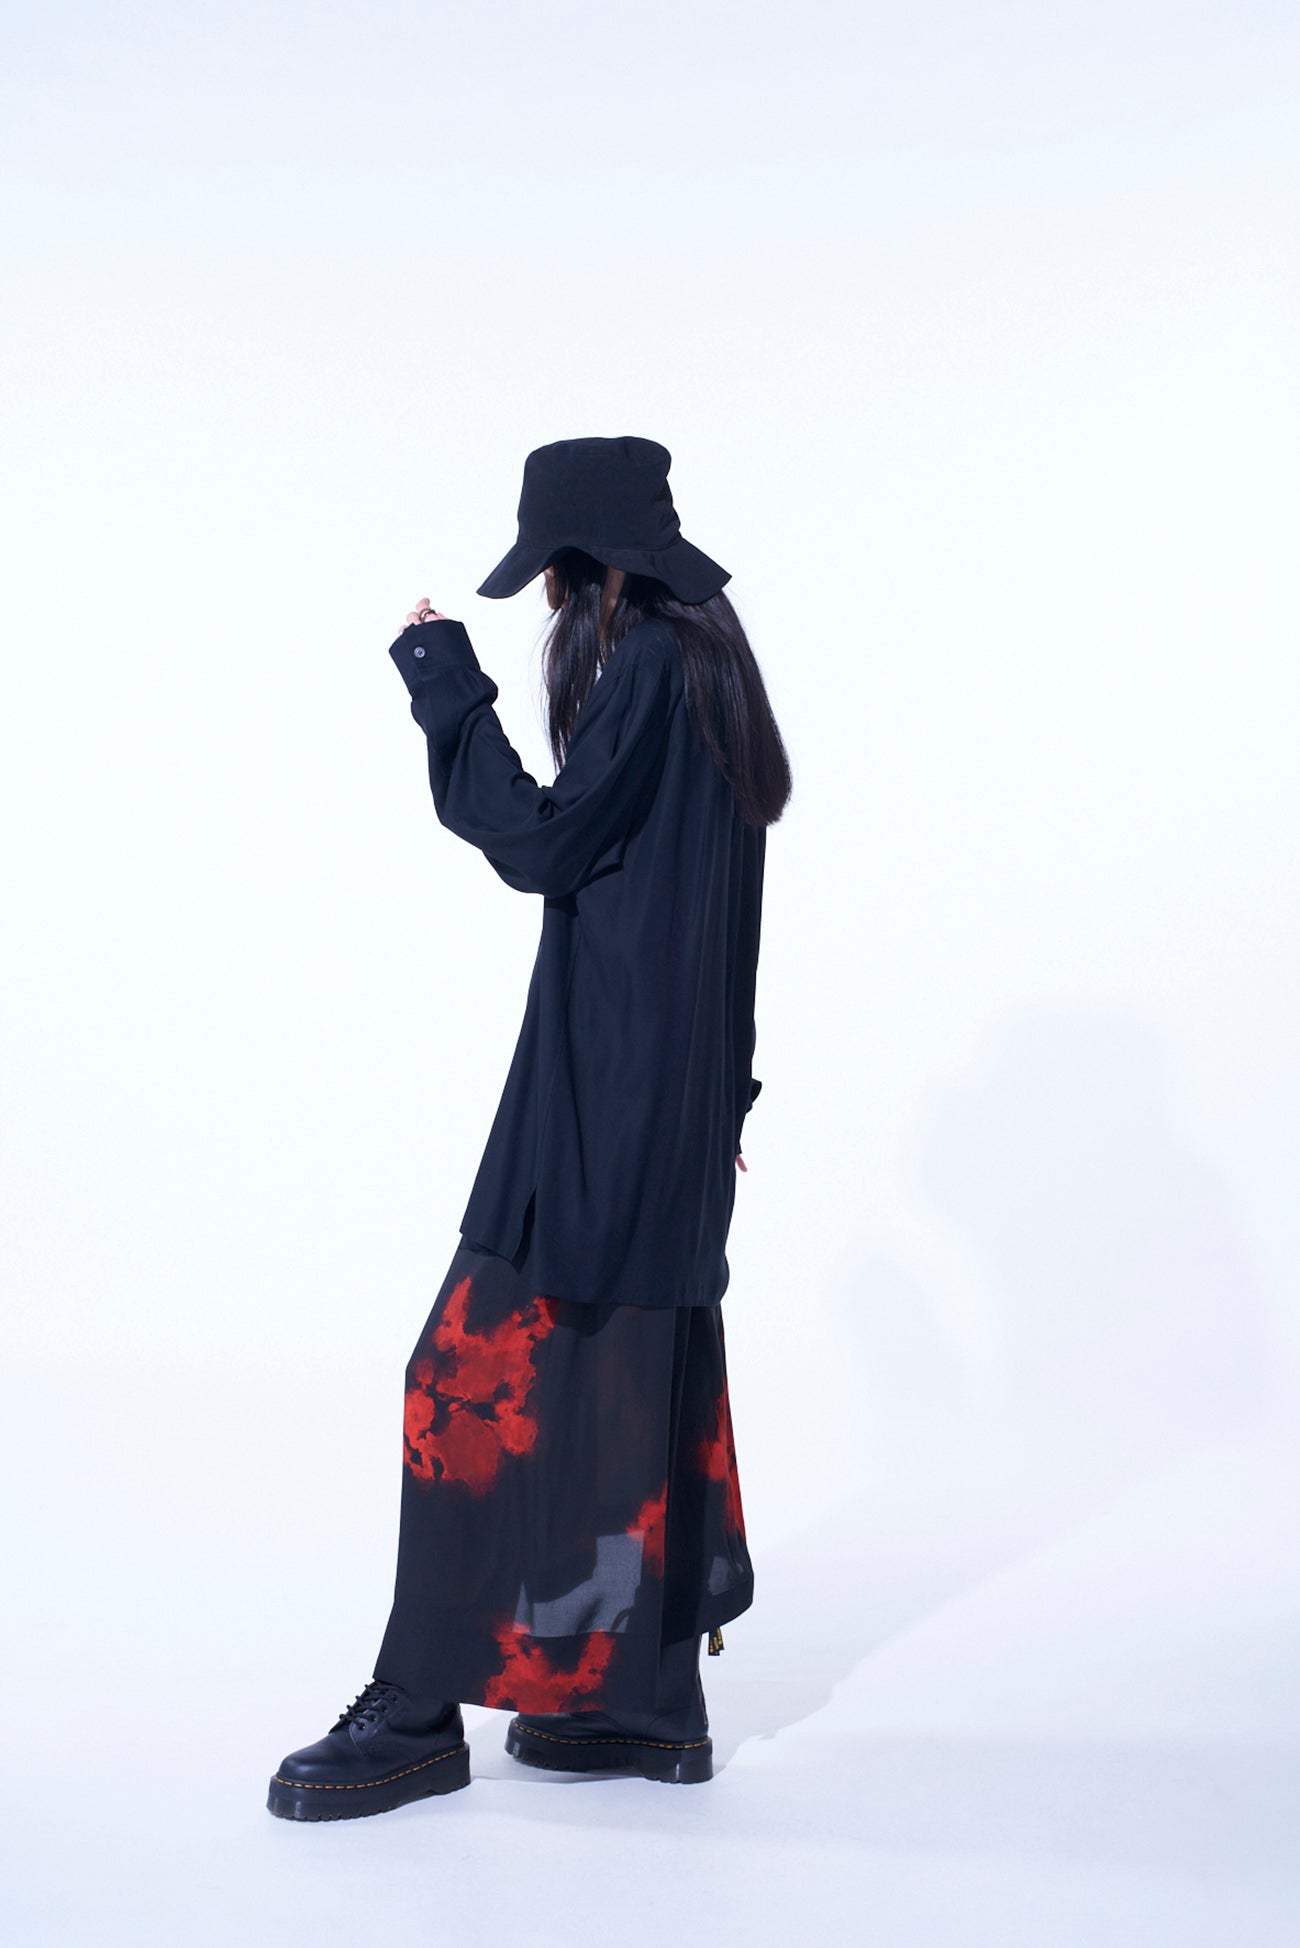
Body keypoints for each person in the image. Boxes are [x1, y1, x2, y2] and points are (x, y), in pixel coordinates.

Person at [267, 435, 792, 1820]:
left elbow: (541, 842)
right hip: (664, 1103)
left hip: (607, 1098)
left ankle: (416, 1710)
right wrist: (720, 1103)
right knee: (624, 1390)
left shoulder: (653, 667)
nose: (550, 600)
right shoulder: (706, 671)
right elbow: (713, 916)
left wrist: (445, 686)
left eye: (552, 574)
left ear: (583, 564)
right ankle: (643, 1710)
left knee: (458, 1387)